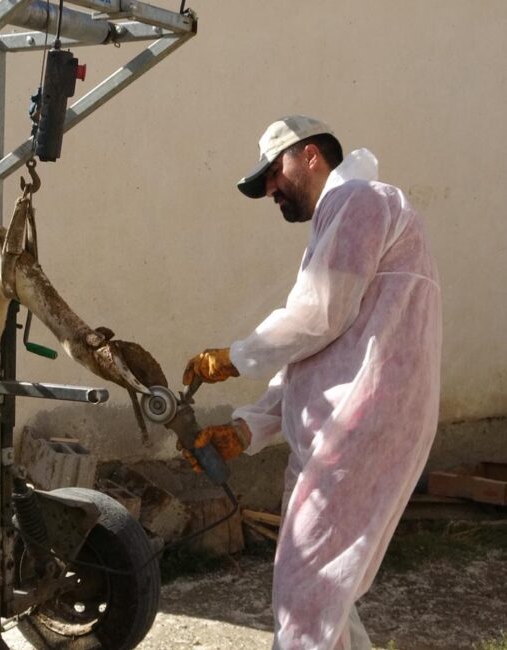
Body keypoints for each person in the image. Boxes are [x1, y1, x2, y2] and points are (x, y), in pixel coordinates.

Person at [181, 115, 442, 649]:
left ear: (312, 155)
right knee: (322, 598)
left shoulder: (363, 201)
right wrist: (247, 429)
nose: (271, 189)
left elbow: (318, 316)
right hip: (343, 428)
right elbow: (318, 352)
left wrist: (232, 357)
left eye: (274, 172)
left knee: (305, 599)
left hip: (358, 428)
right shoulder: (340, 220)